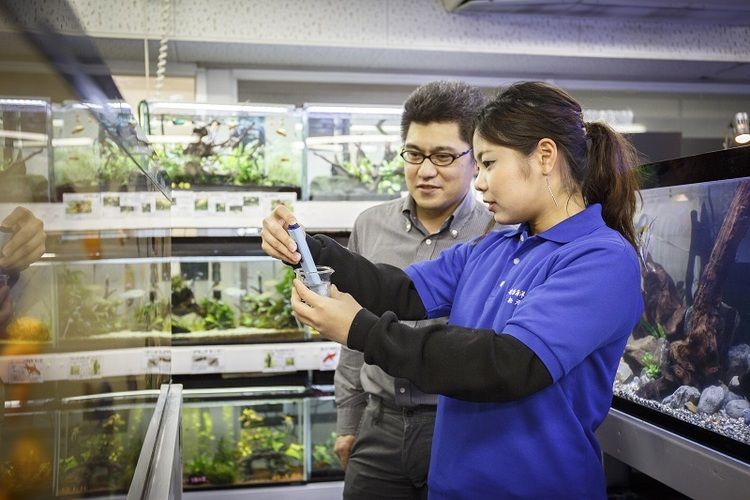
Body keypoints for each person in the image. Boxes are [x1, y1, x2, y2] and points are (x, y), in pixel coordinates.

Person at [261, 81, 643, 499]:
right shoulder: (497, 243)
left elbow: (508, 363)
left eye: (489, 163)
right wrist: (305, 247)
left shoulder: (601, 258)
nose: (478, 183)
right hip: (453, 486)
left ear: (545, 156)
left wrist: (362, 331)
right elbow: (401, 290)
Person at [334, 81, 493, 499]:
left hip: (459, 425)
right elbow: (352, 335)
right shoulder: (370, 224)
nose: (425, 170)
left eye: (443, 156)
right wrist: (348, 423)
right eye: (414, 153)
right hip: (379, 425)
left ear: (476, 159)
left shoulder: (498, 233)